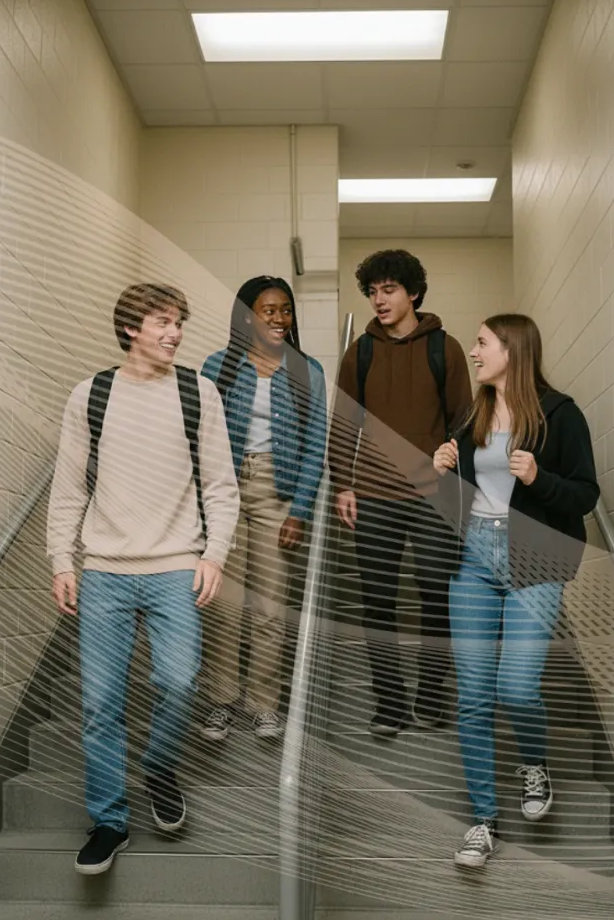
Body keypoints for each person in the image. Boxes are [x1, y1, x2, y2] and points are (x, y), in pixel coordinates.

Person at [47, 283, 240, 876]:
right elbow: (70, 487)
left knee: (179, 683)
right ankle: (109, 820)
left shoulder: (197, 391)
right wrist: (61, 558)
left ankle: (158, 766)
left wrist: (214, 554)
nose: (175, 333)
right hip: (104, 572)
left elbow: (220, 486)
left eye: (179, 322)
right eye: (163, 322)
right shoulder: (91, 395)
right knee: (101, 704)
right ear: (131, 328)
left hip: (176, 569)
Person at [432, 314, 599, 869]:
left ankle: (535, 764)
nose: (474, 352)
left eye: (482, 343)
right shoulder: (473, 415)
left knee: (518, 686)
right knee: (473, 696)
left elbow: (584, 495)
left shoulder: (560, 414)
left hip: (535, 559)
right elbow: (454, 500)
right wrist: (443, 469)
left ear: (512, 349)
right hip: (474, 560)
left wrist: (537, 480)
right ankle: (483, 820)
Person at [329, 249, 473, 735]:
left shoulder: (445, 349)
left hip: (433, 497)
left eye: (388, 290)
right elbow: (343, 422)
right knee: (377, 602)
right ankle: (389, 702)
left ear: (413, 292)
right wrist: (342, 483)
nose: (378, 300)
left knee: (436, 597)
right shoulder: (361, 352)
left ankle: (430, 697)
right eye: (372, 292)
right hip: (372, 496)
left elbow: (463, 424)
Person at [200, 276, 327, 740]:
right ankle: (220, 701)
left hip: (280, 491)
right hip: (226, 491)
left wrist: (301, 510)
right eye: (267, 310)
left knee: (270, 606)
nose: (277, 318)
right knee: (224, 606)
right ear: (247, 315)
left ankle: (264, 705)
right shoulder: (218, 366)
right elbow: (200, 437)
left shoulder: (307, 370)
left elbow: (316, 444)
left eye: (285, 310)